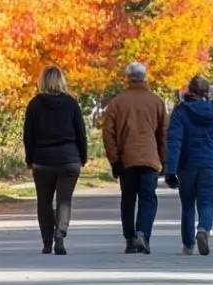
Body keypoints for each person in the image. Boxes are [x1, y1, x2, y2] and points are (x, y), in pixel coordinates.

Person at [102, 61, 168, 254]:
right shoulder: (156, 102)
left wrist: (114, 159)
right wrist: (164, 160)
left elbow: (108, 133)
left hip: (126, 159)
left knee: (128, 199)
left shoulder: (117, 103)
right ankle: (143, 233)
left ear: (127, 79)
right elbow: (164, 134)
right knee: (148, 198)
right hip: (149, 158)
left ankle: (130, 238)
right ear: (145, 78)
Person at [23, 66, 88, 256]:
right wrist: (82, 156)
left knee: (44, 201)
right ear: (62, 81)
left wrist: (30, 159)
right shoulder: (71, 104)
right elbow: (80, 133)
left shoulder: (35, 104)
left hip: (42, 160)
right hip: (69, 159)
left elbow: (28, 135)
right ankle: (60, 234)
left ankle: (46, 241)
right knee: (64, 199)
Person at [164, 76, 213, 256]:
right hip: (211, 164)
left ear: (188, 90)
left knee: (187, 205)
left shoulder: (181, 112)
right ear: (207, 92)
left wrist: (170, 170)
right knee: (207, 202)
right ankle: (203, 229)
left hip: (187, 165)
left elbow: (174, 141)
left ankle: (188, 244)